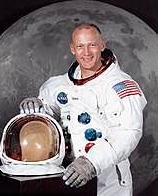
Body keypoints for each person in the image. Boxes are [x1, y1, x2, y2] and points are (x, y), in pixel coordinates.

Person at [19, 23, 147, 195]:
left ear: (102, 46)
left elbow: (128, 132)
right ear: (73, 49)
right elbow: (47, 111)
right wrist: (35, 107)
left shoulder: (120, 86)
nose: (86, 53)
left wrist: (91, 163)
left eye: (92, 45)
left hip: (107, 181)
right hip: (69, 176)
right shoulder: (59, 85)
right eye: (80, 46)